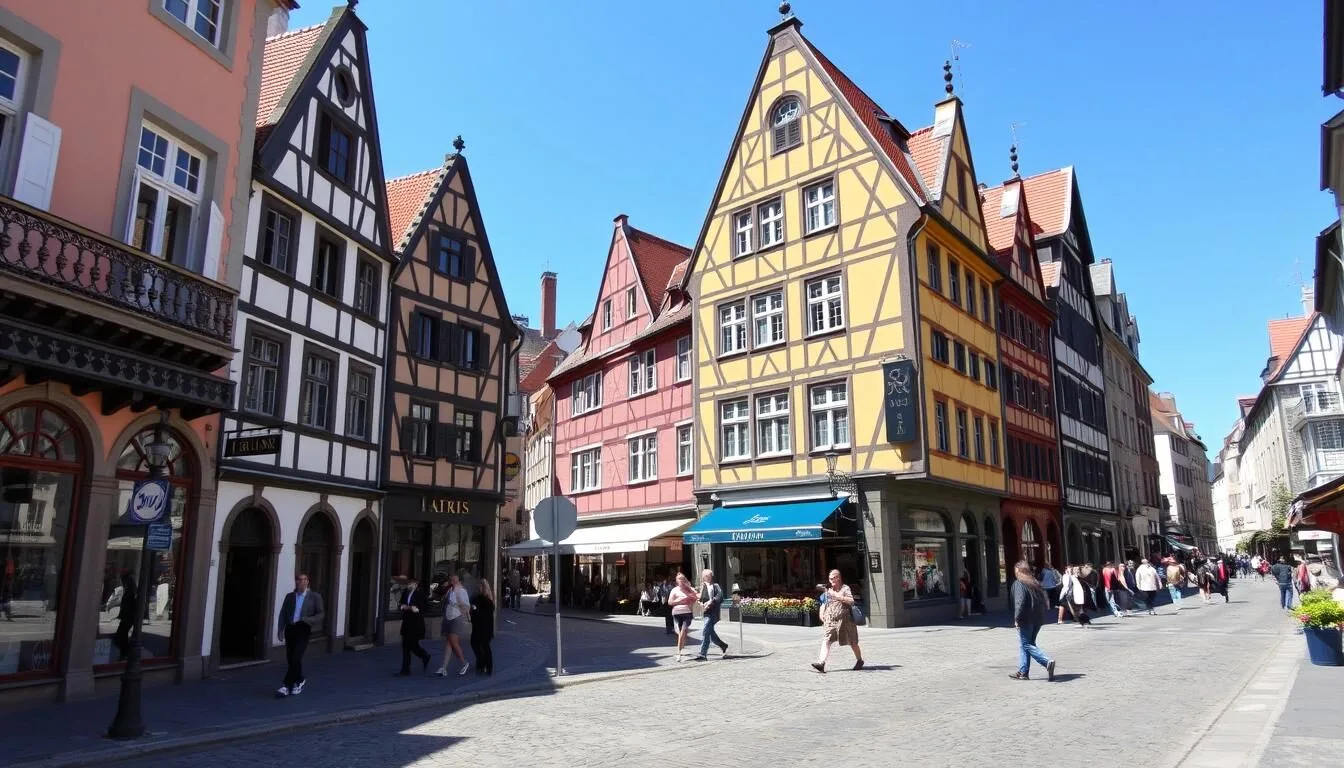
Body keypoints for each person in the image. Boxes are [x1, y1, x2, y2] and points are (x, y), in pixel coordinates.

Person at [276, 573, 324, 697]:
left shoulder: (314, 597)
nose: (300, 582)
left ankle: (287, 685)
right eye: (298, 580)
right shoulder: (290, 597)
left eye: (303, 580)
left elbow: (321, 614)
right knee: (291, 658)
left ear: (308, 582)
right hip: (290, 628)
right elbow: (283, 613)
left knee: (297, 656)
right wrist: (280, 629)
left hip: (303, 628)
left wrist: (308, 620)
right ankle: (300, 680)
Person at [1008, 560, 1056, 681]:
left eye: (1015, 570)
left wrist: (1016, 618)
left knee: (1026, 644)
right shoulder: (1034, 583)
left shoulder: (1020, 583)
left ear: (1019, 571)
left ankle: (1046, 662)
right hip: (1038, 618)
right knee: (1028, 644)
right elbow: (1044, 601)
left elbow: (1020, 602)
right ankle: (1023, 672)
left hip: (1026, 618)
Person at [812, 569, 864, 673]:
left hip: (846, 621)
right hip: (831, 621)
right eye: (829, 579)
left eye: (832, 579)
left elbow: (851, 601)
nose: (830, 581)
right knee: (826, 640)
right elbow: (823, 603)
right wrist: (821, 614)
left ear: (838, 578)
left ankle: (859, 660)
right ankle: (821, 663)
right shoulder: (828, 591)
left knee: (853, 642)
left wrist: (837, 597)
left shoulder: (845, 588)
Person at [435, 573, 472, 677]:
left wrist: (457, 595)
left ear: (459, 581)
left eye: (455, 580)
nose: (453, 582)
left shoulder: (462, 591)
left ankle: (464, 663)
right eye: (452, 580)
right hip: (448, 617)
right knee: (449, 642)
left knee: (453, 642)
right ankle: (444, 667)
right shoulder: (449, 591)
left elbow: (466, 606)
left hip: (457, 617)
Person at [395, 576, 430, 676]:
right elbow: (401, 603)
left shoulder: (420, 594)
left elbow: (424, 608)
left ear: (415, 584)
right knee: (405, 646)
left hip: (416, 623)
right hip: (407, 622)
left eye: (410, 583)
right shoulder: (406, 592)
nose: (408, 585)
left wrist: (415, 609)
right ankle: (405, 669)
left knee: (413, 645)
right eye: (408, 583)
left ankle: (424, 655)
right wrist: (403, 607)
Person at [693, 569, 729, 661]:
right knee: (710, 632)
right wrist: (701, 604)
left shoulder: (715, 586)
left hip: (713, 613)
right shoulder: (703, 587)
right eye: (706, 576)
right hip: (706, 612)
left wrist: (711, 602)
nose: (707, 578)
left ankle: (703, 654)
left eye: (709, 576)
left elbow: (720, 596)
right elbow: (700, 599)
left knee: (705, 631)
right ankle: (723, 645)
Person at [667, 572, 698, 661]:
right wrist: (680, 601)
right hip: (677, 613)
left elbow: (696, 597)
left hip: (687, 613)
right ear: (677, 581)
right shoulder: (674, 590)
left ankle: (679, 652)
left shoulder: (689, 589)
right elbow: (670, 602)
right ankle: (681, 647)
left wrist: (689, 595)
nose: (681, 580)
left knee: (683, 631)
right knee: (682, 632)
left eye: (683, 579)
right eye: (679, 579)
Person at [470, 578, 495, 675]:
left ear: (483, 587)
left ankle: (485, 665)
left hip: (483, 627)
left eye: (480, 586)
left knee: (483, 646)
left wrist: (475, 611)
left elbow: (483, 615)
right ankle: (483, 665)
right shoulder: (482, 598)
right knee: (480, 646)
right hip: (481, 627)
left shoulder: (486, 600)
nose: (478, 588)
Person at [111, 570, 139, 661]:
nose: (122, 583)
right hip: (126, 617)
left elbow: (131, 606)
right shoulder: (129, 591)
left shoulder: (131, 592)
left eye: (123, 580)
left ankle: (126, 653)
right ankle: (125, 653)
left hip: (128, 618)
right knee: (121, 635)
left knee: (121, 635)